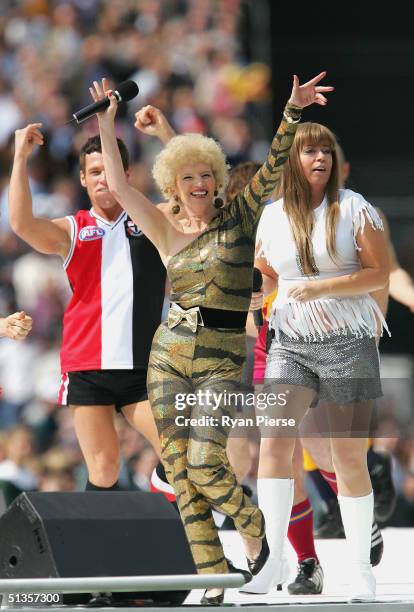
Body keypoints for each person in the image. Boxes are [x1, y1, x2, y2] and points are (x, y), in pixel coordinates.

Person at [90, 72, 333, 604]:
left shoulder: (241, 218)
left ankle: (256, 532)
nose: (199, 184)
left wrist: (291, 112)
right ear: (174, 186)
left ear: (218, 179)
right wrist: (108, 124)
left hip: (222, 359)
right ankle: (211, 581)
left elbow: (271, 169)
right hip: (167, 358)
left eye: (206, 175)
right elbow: (120, 183)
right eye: (188, 177)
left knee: (206, 463)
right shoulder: (162, 226)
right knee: (180, 474)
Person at [242, 121, 389, 602]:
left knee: (345, 455)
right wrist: (257, 307)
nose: (320, 157)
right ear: (292, 160)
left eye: (326, 149)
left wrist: (321, 287)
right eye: (309, 151)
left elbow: (379, 272)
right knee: (274, 448)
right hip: (289, 343)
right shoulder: (272, 216)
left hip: (347, 339)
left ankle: (361, 571)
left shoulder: (354, 207)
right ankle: (271, 564)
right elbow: (266, 276)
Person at [8, 124, 166, 492]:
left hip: (142, 366)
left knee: (179, 451)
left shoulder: (153, 220)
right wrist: (19, 156)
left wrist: (164, 131)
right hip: (87, 366)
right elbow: (20, 224)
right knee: (104, 469)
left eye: (108, 171)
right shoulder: (73, 229)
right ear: (82, 179)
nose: (102, 179)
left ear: (126, 175)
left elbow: (196, 193)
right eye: (94, 172)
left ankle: (169, 511)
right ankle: (105, 549)